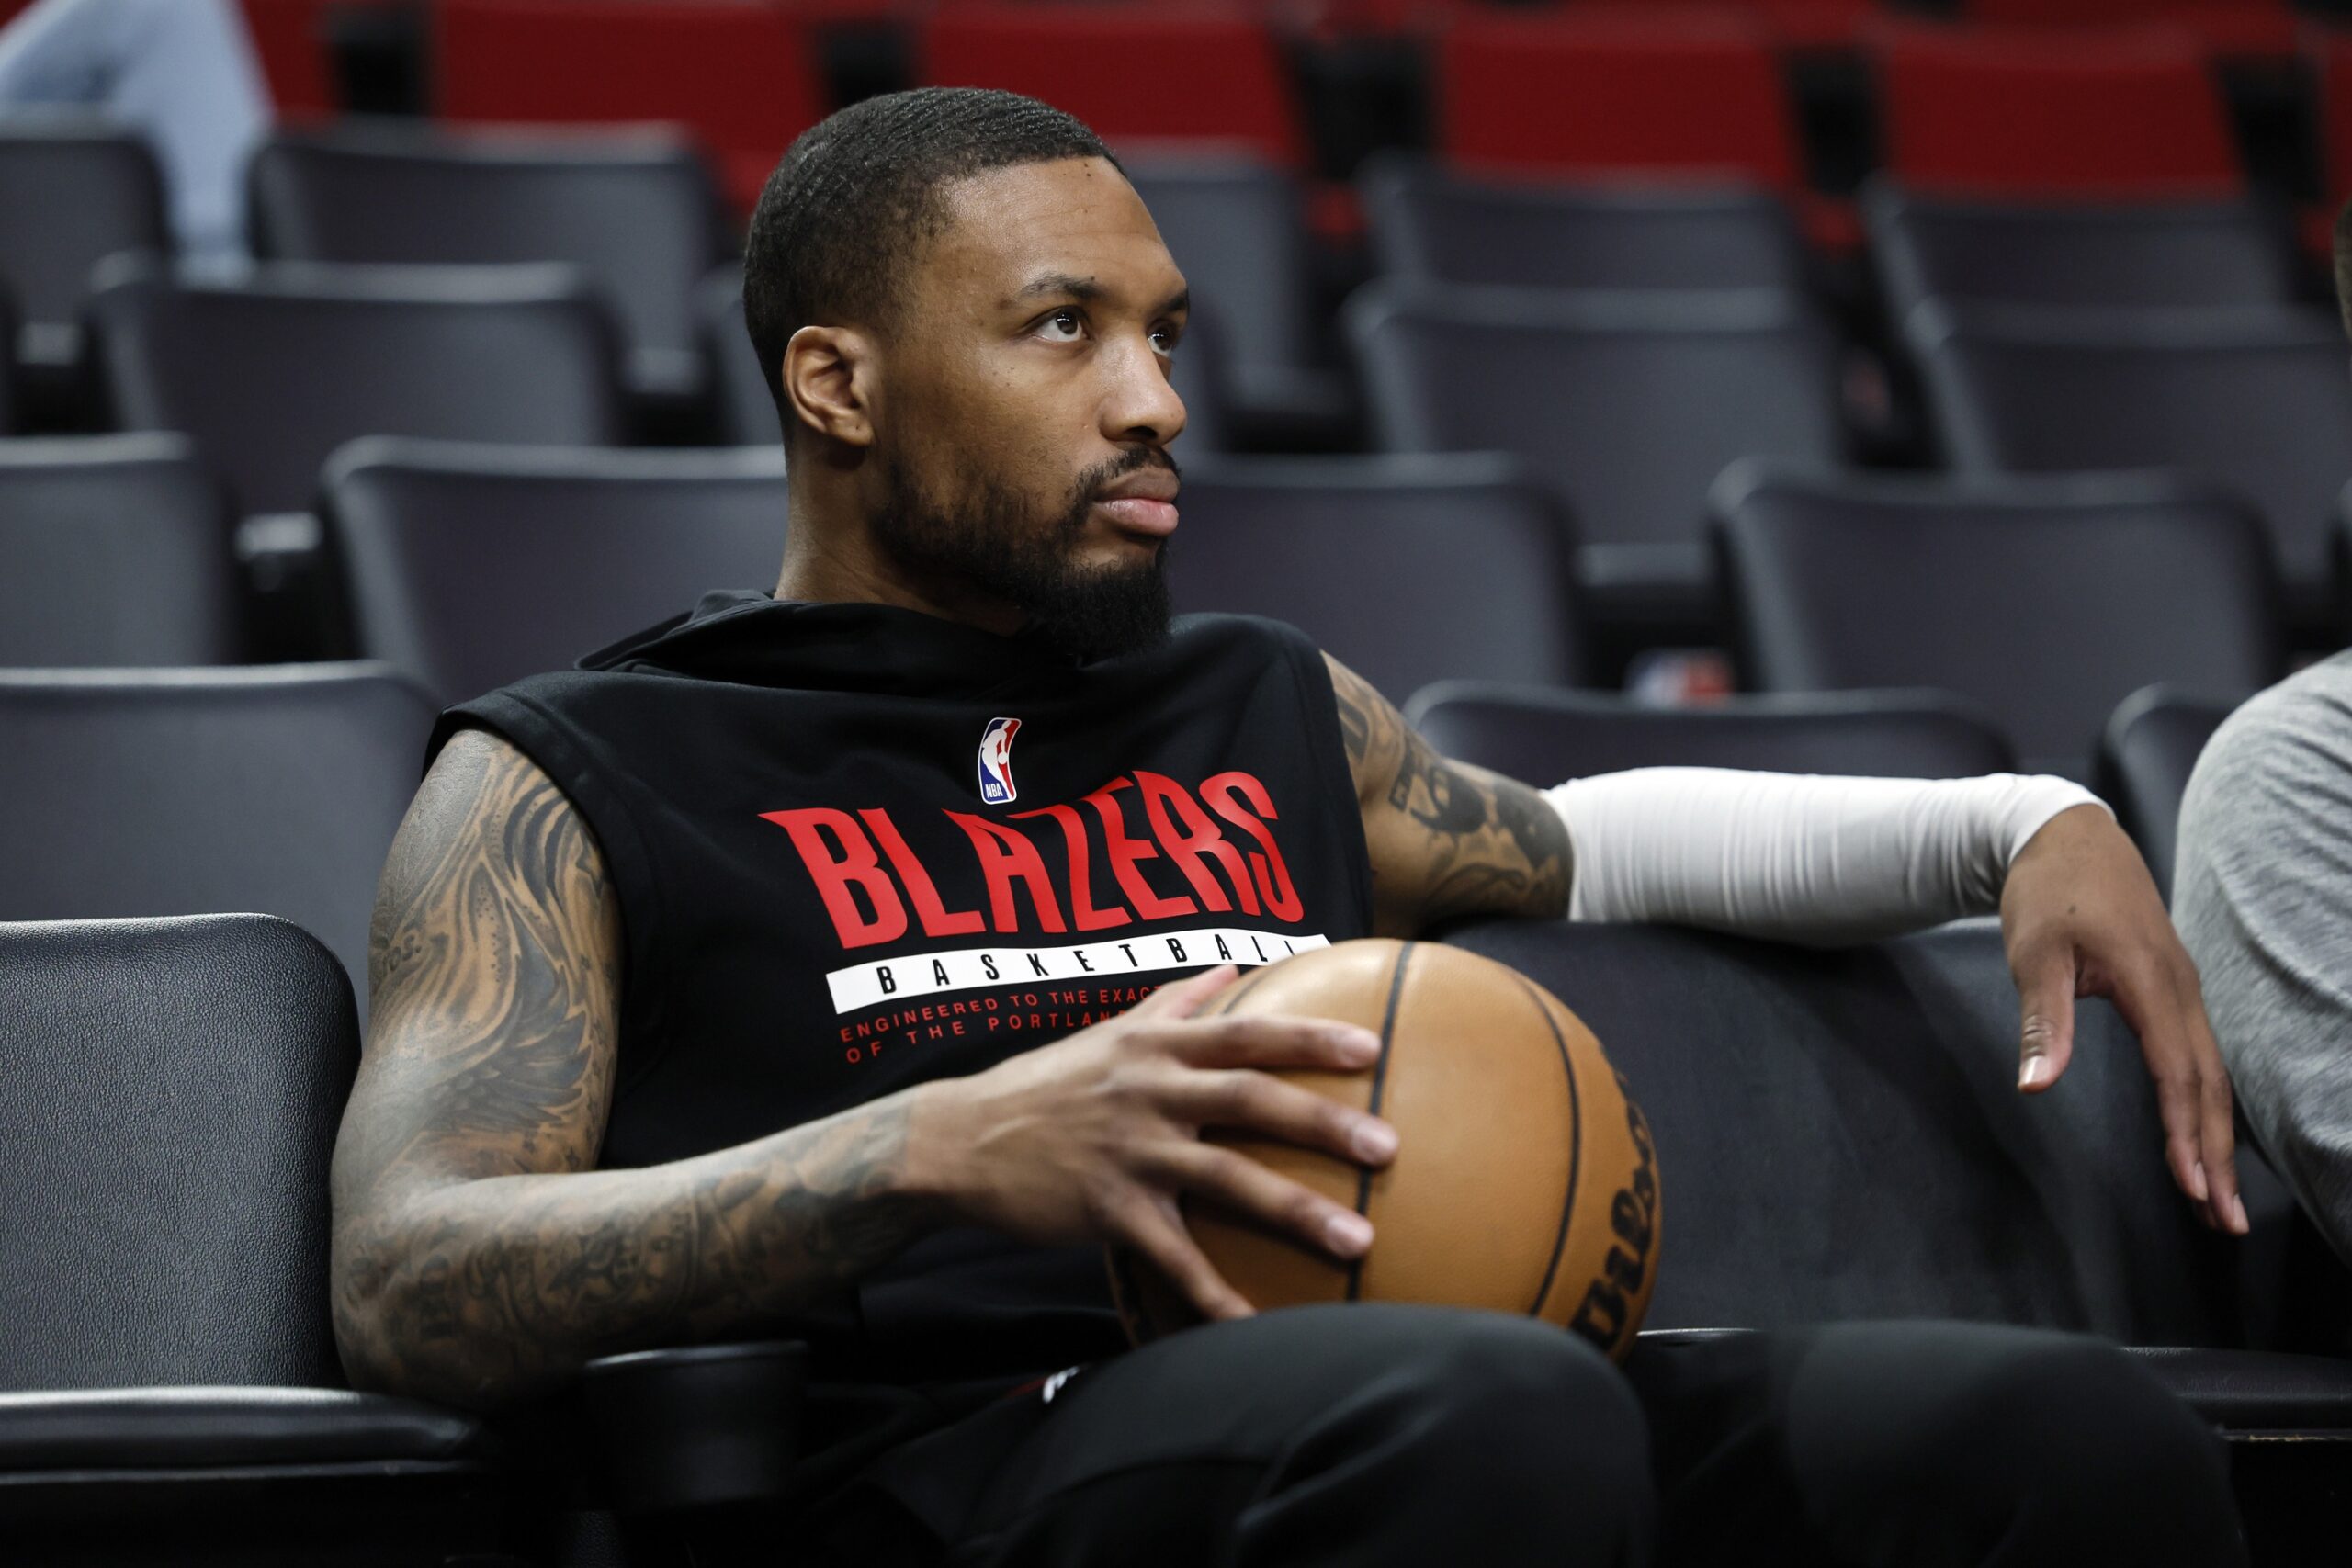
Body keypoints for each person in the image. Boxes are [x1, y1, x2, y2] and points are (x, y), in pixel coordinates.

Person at [331, 89, 2246, 1565]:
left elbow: (1581, 842)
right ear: (836, 381)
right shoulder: (570, 772)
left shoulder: (1256, 700)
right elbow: (410, 1274)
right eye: (1060, 329)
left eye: (1164, 335)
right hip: (943, 1454)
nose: (1153, 399)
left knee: (2055, 1431)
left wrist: (2018, 821)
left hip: (1410, 1374)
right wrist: (930, 1148)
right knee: (1479, 1409)